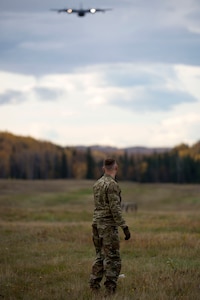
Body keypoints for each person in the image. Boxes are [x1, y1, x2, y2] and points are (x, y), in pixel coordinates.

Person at [89, 158, 131, 296]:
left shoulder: (97, 184)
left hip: (96, 223)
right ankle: (110, 290)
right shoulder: (112, 185)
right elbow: (115, 208)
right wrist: (124, 226)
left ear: (103, 169)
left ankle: (94, 285)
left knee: (100, 256)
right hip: (107, 225)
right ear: (116, 168)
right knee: (113, 257)